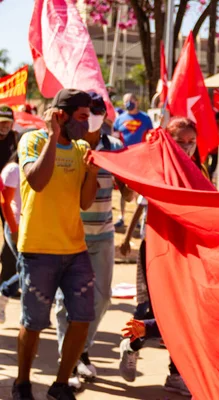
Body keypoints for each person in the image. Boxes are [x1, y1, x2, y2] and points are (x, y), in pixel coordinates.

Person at [13, 89, 99, 400]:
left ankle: (60, 384)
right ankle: (22, 383)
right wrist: (52, 136)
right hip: (38, 251)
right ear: (60, 115)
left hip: (75, 251)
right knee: (33, 322)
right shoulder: (32, 141)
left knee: (83, 317)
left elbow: (85, 203)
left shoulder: (79, 149)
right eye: (81, 117)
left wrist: (91, 174)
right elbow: (36, 181)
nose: (86, 125)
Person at [117, 121, 208, 397]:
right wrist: (127, 238)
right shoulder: (157, 169)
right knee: (152, 312)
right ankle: (131, 345)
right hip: (156, 248)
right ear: (169, 141)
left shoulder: (198, 170)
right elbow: (135, 199)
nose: (187, 146)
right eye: (181, 141)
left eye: (192, 140)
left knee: (185, 313)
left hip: (187, 251)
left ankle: (176, 373)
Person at [54, 91, 134, 389]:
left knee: (101, 299)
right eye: (88, 111)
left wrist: (128, 181)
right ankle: (71, 360)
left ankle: (81, 349)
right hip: (70, 235)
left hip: (103, 234)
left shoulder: (115, 148)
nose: (93, 116)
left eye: (98, 110)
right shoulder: (70, 146)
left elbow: (127, 193)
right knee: (66, 302)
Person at [112, 93, 153, 228]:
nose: (128, 103)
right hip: (124, 159)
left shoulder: (145, 119)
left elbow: (151, 137)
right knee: (123, 188)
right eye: (125, 101)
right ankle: (121, 217)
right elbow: (115, 137)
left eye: (130, 100)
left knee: (139, 189)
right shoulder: (119, 119)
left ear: (137, 101)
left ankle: (138, 219)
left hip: (140, 159)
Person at [0, 105, 20, 299]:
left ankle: (7, 281)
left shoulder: (16, 138)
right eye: (2, 122)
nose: (5, 126)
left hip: (9, 194)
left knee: (10, 237)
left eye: (8, 122)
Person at [0, 150, 20, 323]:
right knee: (28, 269)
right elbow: (5, 203)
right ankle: (4, 292)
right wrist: (14, 230)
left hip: (32, 228)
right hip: (17, 228)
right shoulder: (13, 170)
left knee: (30, 270)